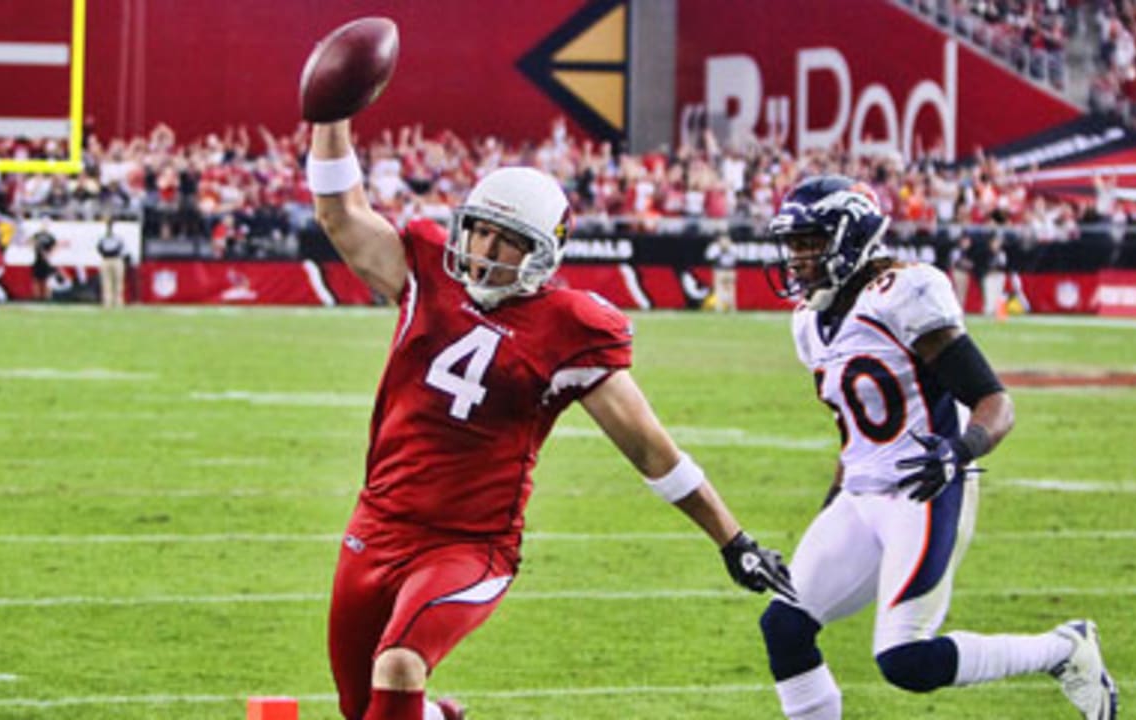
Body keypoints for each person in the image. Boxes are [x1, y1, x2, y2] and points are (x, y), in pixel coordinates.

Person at [309, 117, 794, 720]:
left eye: (502, 239)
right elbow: (340, 214)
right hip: (376, 525)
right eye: (478, 231)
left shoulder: (569, 329)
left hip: (468, 545)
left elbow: (650, 449)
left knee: (401, 663)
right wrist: (332, 116)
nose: (482, 252)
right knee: (363, 711)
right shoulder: (425, 275)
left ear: (540, 251)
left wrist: (733, 539)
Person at [761, 175, 1117, 720]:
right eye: (793, 244)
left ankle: (1065, 649)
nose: (798, 257)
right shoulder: (808, 321)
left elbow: (995, 403)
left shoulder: (904, 292)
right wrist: (831, 505)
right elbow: (855, 431)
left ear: (850, 236)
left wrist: (958, 452)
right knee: (785, 626)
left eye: (809, 241)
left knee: (906, 660)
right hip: (861, 493)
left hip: (924, 486)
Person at [97, 217, 126, 307]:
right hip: (106, 259)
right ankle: (107, 302)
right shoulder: (102, 236)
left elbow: (121, 247)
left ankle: (118, 302)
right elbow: (99, 247)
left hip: (116, 259)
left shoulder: (118, 236)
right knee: (106, 282)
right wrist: (105, 254)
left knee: (118, 282)